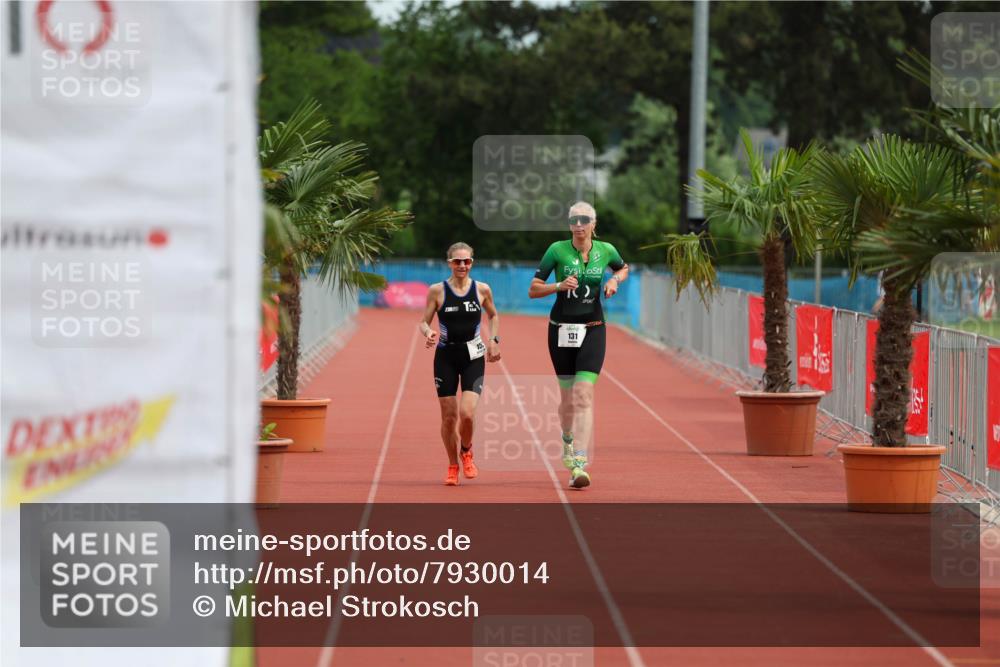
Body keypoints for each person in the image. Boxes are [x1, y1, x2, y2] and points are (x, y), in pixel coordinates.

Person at [528, 202, 628, 489]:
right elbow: (533, 289)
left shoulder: (606, 250)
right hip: (561, 330)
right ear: (570, 224)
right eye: (575, 220)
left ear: (594, 224)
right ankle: (567, 439)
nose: (579, 225)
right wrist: (557, 286)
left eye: (585, 220)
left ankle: (579, 463)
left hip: (594, 328)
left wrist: (614, 281)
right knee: (568, 400)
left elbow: (623, 269)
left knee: (584, 394)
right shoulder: (556, 250)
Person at [419, 242, 501, 486]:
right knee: (448, 417)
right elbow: (423, 321)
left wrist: (494, 340)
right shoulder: (437, 291)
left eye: (466, 261)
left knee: (466, 414)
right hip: (445, 356)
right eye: (457, 261)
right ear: (449, 263)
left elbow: (493, 315)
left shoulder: (482, 289)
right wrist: (428, 333)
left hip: (473, 356)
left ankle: (466, 450)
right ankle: (453, 464)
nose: (462, 266)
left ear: (472, 263)